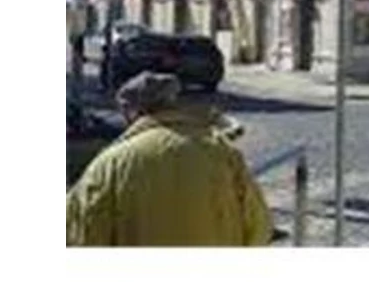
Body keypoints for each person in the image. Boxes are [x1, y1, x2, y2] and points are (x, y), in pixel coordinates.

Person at [66, 72, 272, 247]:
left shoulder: (110, 164)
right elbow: (259, 227)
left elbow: (84, 234)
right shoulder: (223, 154)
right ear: (171, 103)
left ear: (131, 113)